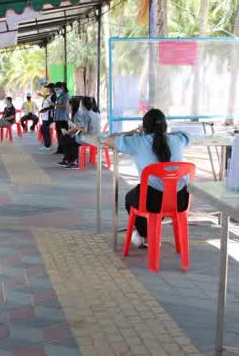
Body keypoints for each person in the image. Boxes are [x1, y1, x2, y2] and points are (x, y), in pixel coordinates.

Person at [104, 108, 191, 248]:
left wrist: (131, 132)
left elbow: (108, 140)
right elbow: (187, 135)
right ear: (165, 126)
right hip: (180, 200)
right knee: (154, 194)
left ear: (144, 128)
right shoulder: (177, 140)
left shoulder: (137, 142)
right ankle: (149, 232)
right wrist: (164, 133)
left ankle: (146, 234)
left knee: (130, 198)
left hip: (152, 202)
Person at [58, 96, 100, 168]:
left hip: (87, 138)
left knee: (67, 140)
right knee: (68, 139)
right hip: (95, 137)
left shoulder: (85, 114)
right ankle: (70, 160)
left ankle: (73, 161)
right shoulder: (96, 113)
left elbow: (85, 129)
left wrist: (76, 127)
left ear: (83, 104)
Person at [53, 82, 71, 154]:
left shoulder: (66, 95)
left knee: (63, 134)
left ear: (62, 87)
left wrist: (54, 104)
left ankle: (65, 150)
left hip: (63, 118)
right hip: (58, 117)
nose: (56, 90)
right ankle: (60, 149)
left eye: (57, 89)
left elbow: (64, 106)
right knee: (59, 134)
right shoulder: (61, 95)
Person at [38, 84, 56, 153]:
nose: (47, 89)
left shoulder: (54, 96)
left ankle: (47, 145)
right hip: (45, 115)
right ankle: (46, 144)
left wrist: (44, 109)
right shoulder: (49, 95)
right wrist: (41, 95)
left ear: (51, 88)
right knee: (43, 129)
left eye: (48, 88)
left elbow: (52, 107)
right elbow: (45, 97)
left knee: (44, 129)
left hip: (49, 115)